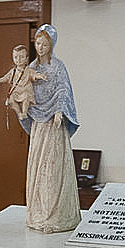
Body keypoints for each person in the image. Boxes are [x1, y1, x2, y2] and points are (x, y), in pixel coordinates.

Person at [19, 24, 82, 233]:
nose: (41, 47)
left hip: (55, 125)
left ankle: (56, 216)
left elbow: (63, 90)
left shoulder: (58, 67)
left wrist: (59, 111)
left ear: (51, 44)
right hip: (38, 123)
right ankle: (38, 213)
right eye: (38, 43)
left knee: (53, 168)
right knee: (38, 167)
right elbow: (23, 87)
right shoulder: (32, 68)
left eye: (45, 44)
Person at [0, 44, 47, 122]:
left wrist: (40, 76)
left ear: (27, 59)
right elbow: (6, 77)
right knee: (11, 100)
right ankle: (19, 113)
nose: (18, 60)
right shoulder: (13, 71)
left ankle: (24, 112)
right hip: (16, 91)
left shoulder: (28, 70)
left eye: (21, 57)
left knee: (26, 97)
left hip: (25, 90)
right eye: (16, 57)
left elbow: (34, 74)